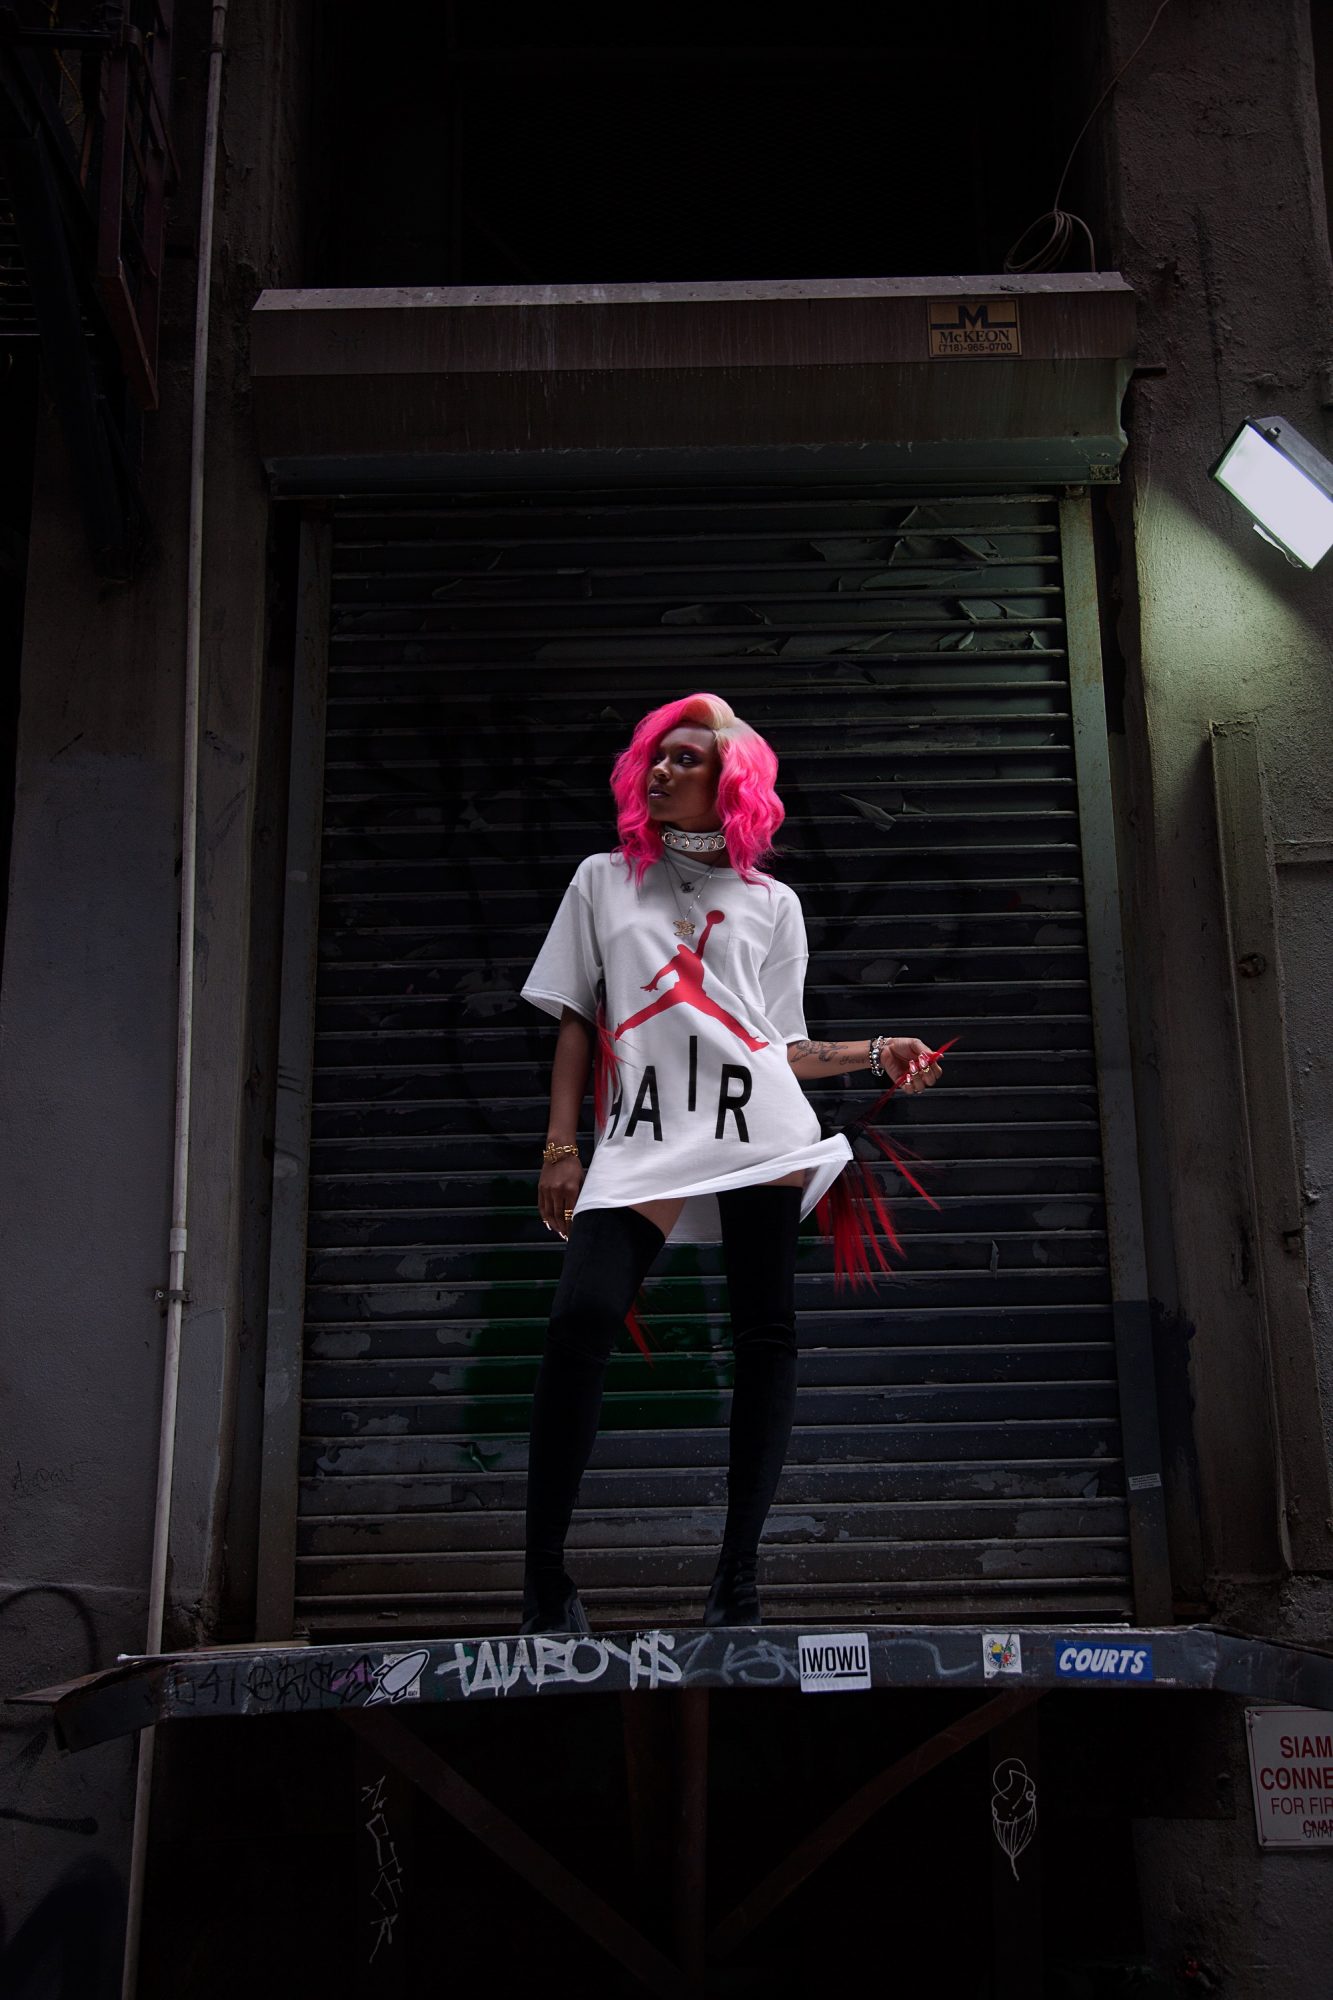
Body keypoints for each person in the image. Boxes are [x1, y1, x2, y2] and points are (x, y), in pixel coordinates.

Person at [519, 692, 943, 1634]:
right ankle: (543, 1580)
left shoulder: (771, 902)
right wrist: (561, 1146)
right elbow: (580, 1019)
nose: (658, 771)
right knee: (581, 1317)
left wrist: (876, 1051)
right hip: (642, 1136)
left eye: (685, 759)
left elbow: (778, 1045)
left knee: (764, 1336)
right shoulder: (602, 879)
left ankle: (737, 1579)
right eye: (654, 758)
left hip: (760, 1129)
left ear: (732, 783)